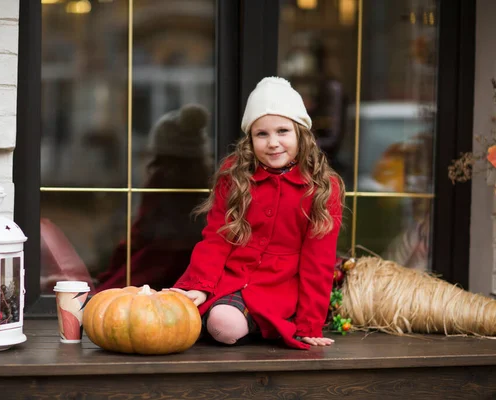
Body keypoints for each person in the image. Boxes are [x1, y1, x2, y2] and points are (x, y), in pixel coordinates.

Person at [169, 77, 345, 350]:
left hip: (278, 286)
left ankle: (249, 322)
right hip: (228, 277)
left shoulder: (322, 186)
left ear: (301, 133)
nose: (273, 142)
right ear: (250, 139)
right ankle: (221, 316)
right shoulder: (236, 174)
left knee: (223, 323)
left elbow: (318, 260)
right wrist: (200, 285)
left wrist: (309, 323)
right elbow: (217, 237)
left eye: (283, 131)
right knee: (173, 313)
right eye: (262, 134)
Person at [94, 104, 214, 292]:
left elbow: (142, 228)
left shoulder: (161, 179)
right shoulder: (210, 178)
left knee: (113, 291)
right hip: (194, 259)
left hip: (157, 259)